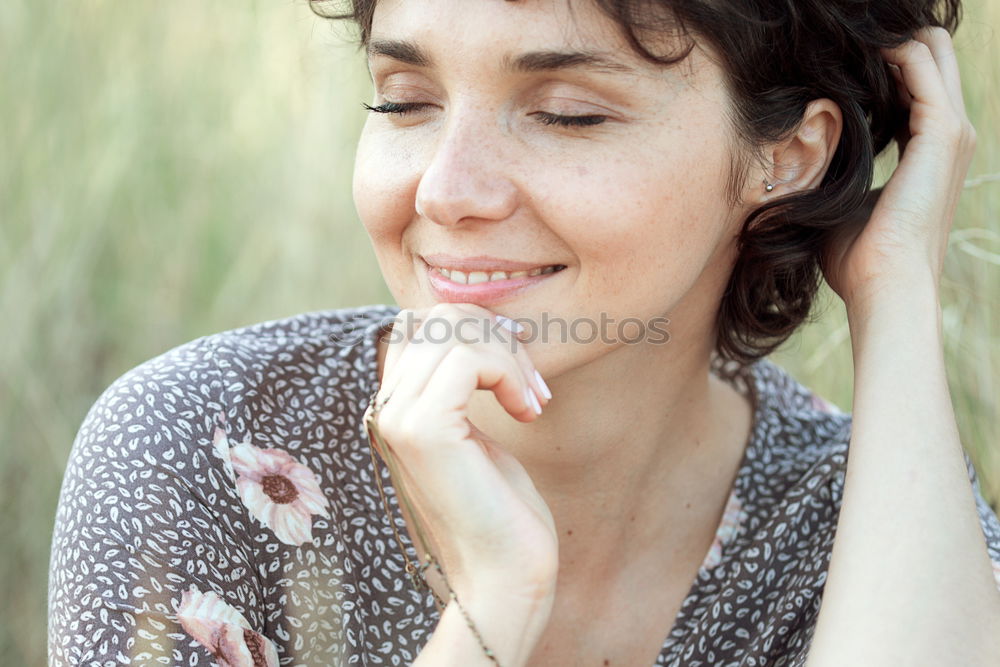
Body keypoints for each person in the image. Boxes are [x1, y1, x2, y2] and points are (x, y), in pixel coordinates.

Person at [48, 0, 1000, 665]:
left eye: (565, 114)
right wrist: (496, 607)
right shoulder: (192, 450)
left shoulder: (882, 517)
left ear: (788, 156)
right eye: (404, 101)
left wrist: (897, 288)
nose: (448, 190)